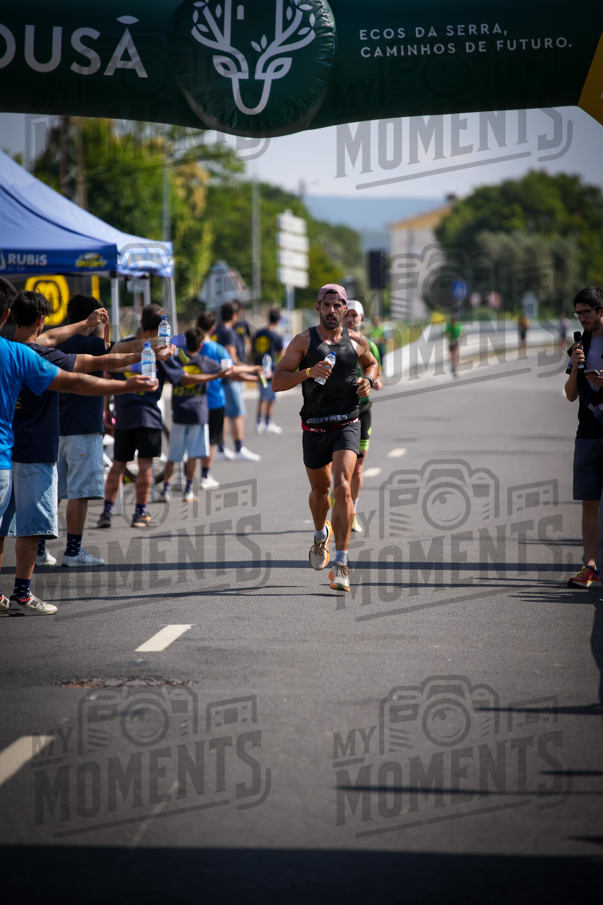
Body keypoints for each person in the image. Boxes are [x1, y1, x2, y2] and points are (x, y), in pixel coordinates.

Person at [0, 285, 157, 616]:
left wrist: (83, 324)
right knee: (39, 522)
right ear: (41, 319)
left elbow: (54, 336)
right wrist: (135, 371)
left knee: (6, 526)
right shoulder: (30, 356)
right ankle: (24, 593)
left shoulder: (18, 348)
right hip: (38, 450)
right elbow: (92, 366)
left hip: (10, 451)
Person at [272, 283, 378, 592]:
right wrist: (307, 372)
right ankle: (321, 536)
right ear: (318, 307)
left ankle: (342, 564)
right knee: (320, 494)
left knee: (342, 486)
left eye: (337, 305)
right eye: (326, 304)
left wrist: (368, 380)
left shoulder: (357, 340)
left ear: (346, 310)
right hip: (314, 427)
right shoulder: (304, 341)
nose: (331, 310)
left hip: (347, 422)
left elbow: (370, 363)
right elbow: (277, 381)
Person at [99, 304, 177, 529]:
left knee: (118, 465)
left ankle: (106, 512)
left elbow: (110, 377)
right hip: (149, 416)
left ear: (142, 322)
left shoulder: (123, 346)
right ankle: (139, 514)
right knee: (145, 466)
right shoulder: (162, 349)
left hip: (124, 414)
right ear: (159, 328)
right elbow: (178, 376)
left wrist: (108, 410)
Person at [158, 327, 230, 502]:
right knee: (192, 455)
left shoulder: (176, 361)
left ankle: (165, 491)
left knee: (174, 455)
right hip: (199, 414)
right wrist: (254, 373)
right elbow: (231, 371)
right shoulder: (205, 361)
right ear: (200, 346)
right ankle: (188, 490)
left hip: (180, 414)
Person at [565, 286, 603, 588]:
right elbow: (569, 395)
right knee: (589, 503)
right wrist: (577, 367)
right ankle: (589, 567)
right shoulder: (580, 343)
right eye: (578, 313)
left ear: (601, 310)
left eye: (586, 312)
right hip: (587, 433)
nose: (582, 318)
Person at [342, 301, 383, 532]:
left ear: (362, 318)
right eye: (346, 314)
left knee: (357, 468)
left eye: (354, 315)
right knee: (337, 467)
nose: (350, 319)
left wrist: (375, 381)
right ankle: (337, 493)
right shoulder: (333, 343)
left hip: (363, 410)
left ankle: (352, 510)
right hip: (338, 411)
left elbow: (378, 372)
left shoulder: (369, 346)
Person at [211, 302, 261, 462]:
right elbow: (231, 358)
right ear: (234, 315)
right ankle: (238, 448)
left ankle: (221, 447)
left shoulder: (216, 329)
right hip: (229, 378)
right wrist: (247, 368)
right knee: (238, 413)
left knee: (224, 414)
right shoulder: (228, 332)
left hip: (217, 377)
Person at [253, 307, 284, 434]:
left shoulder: (258, 333)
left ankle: (258, 422)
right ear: (277, 321)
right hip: (270, 371)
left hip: (258, 369)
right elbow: (281, 353)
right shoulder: (276, 335)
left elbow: (251, 350)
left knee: (262, 396)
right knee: (271, 397)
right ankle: (267, 423)